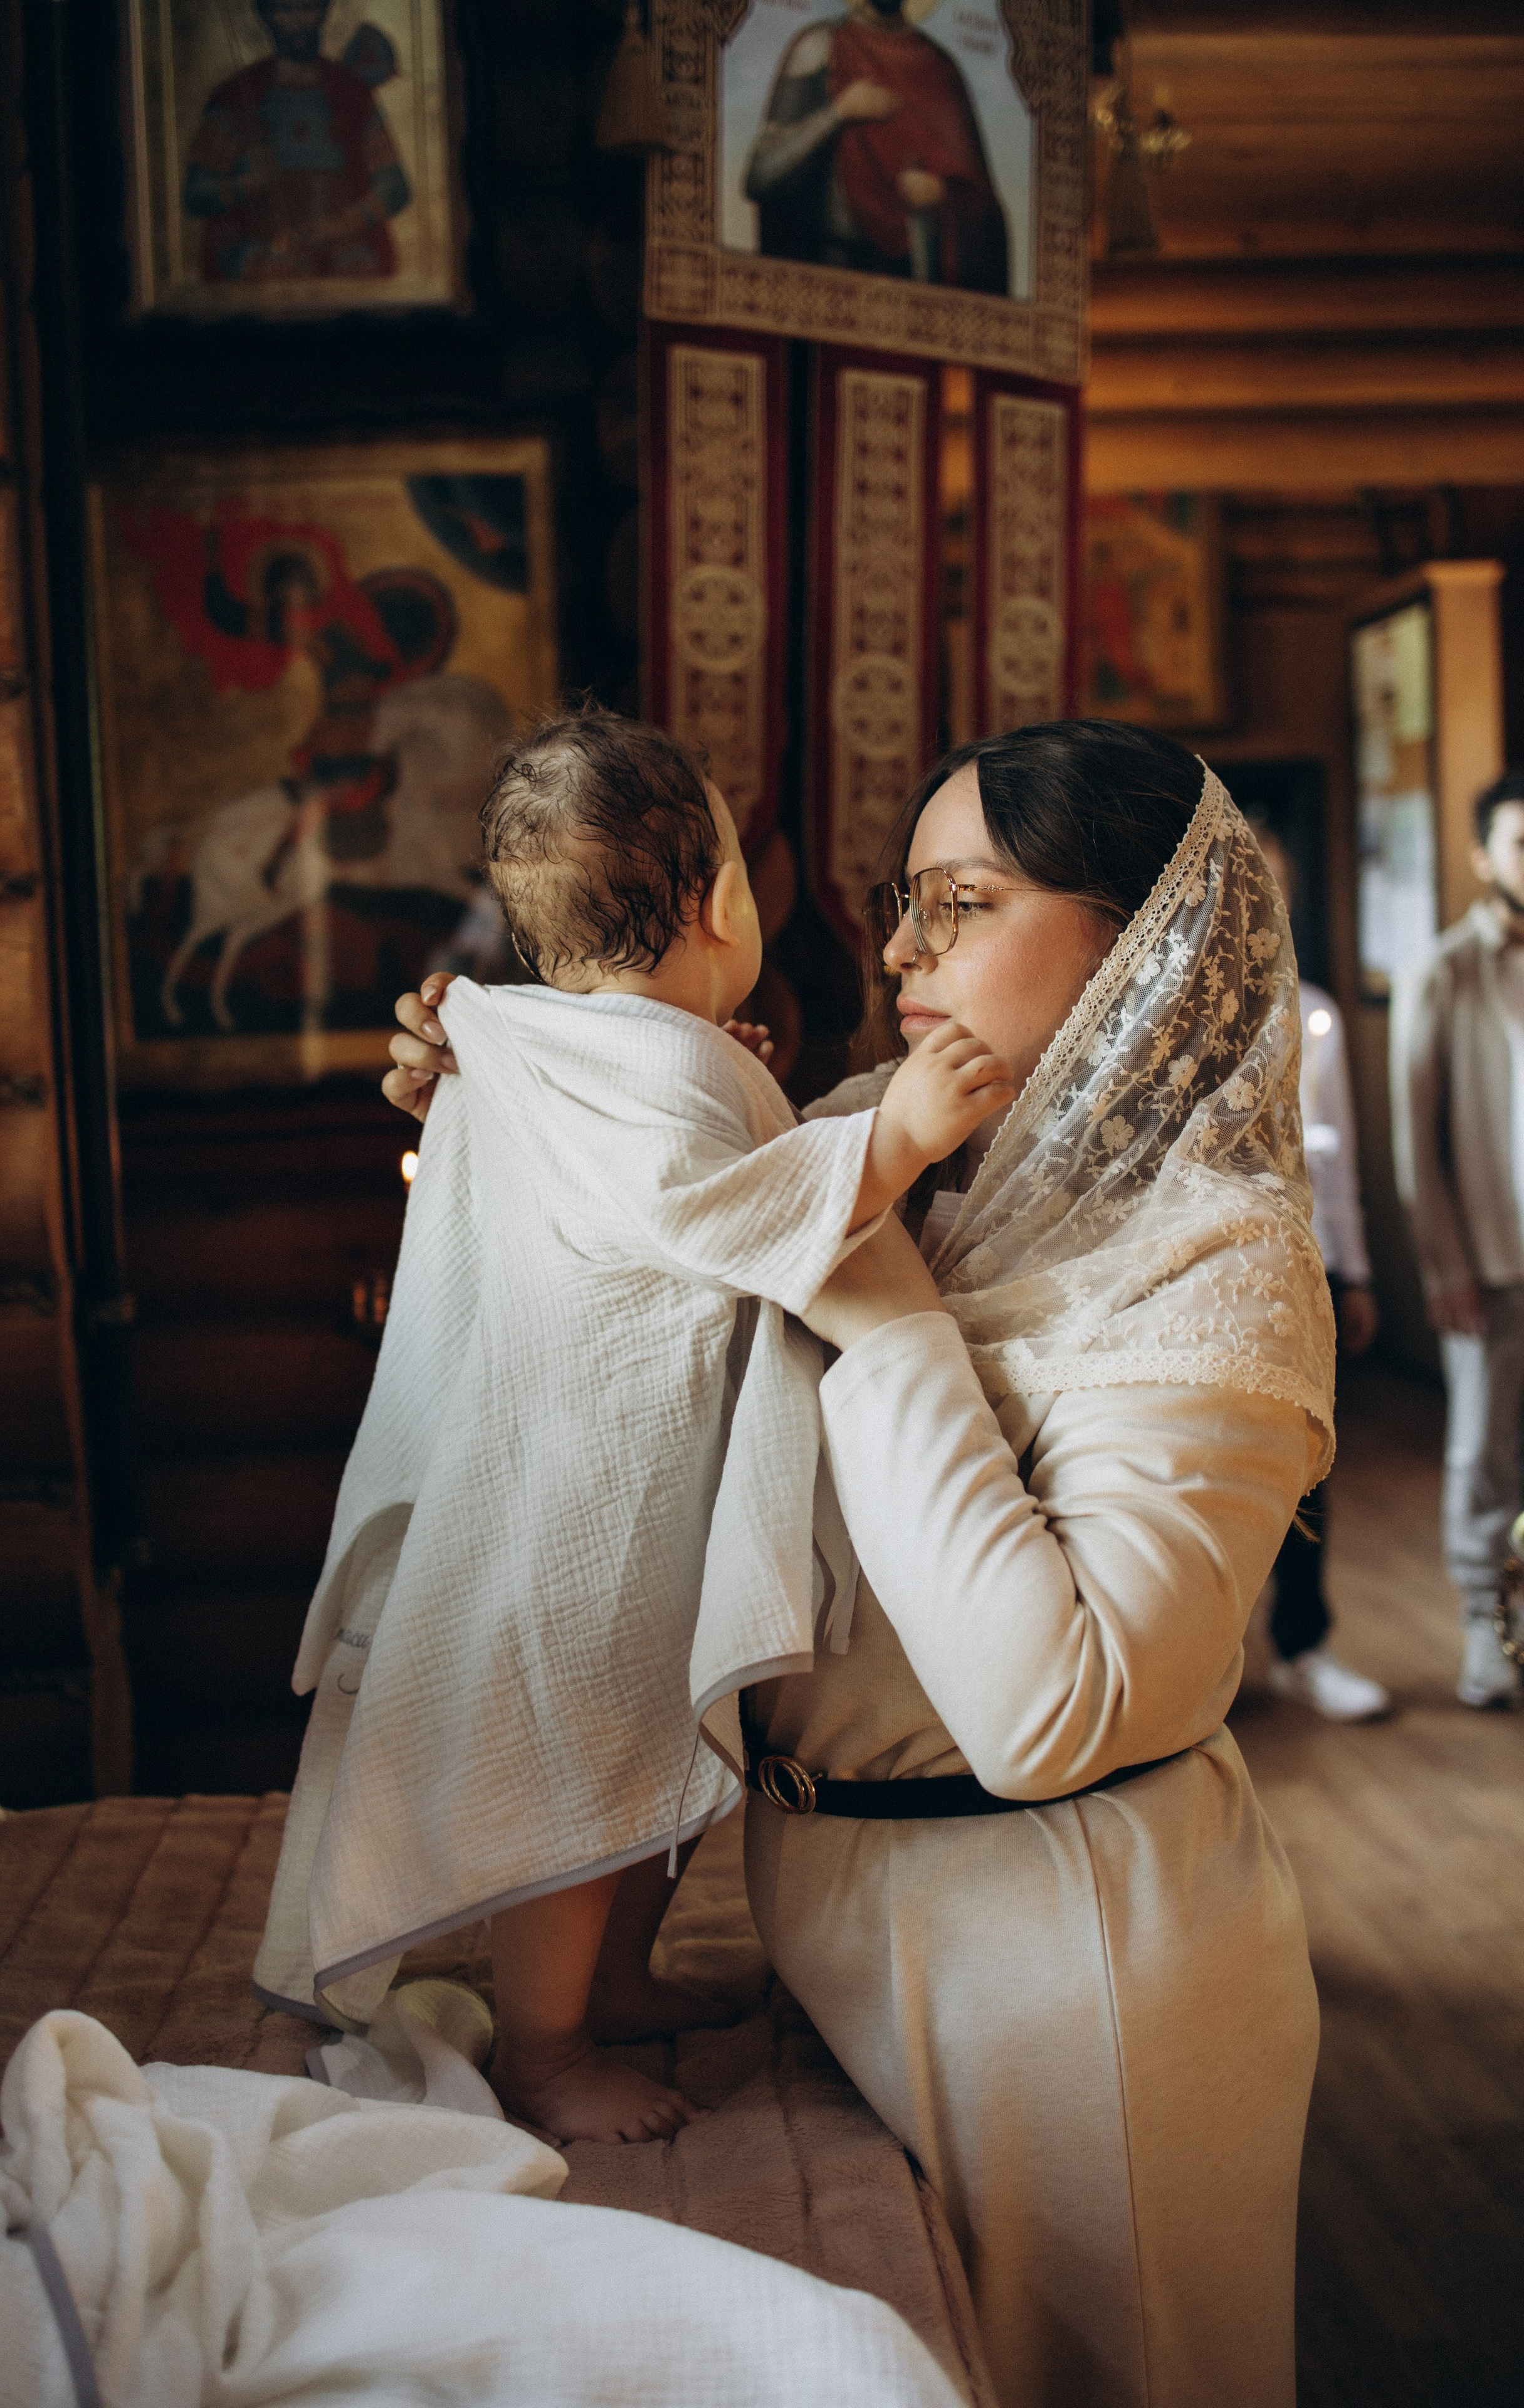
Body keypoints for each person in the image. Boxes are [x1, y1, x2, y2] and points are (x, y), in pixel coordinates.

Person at [389, 720, 1333, 2408]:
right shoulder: (871, 1136)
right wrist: (527, 1101)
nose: (897, 948)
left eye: (958, 903)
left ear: (1135, 941)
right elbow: (646, 1301)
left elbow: (1054, 1710)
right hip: (839, 1933)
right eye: (905, 900)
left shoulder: (1219, 1267)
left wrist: (881, 1300)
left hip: (1072, 1985)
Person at [256, 707, 1010, 2149]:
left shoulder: (559, 1043)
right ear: (726, 899)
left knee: (658, 1761)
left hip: (605, 1475)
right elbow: (710, 1211)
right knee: (579, 1774)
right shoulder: (649, 1071)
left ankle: (611, 1984)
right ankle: (545, 2053)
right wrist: (896, 1136)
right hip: (583, 1511)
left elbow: (674, 1155)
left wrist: (732, 1083)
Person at [1391, 766, 1524, 1709]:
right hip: (1491, 1257)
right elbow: (1416, 1138)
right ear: (1484, 857)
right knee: (1484, 1452)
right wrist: (1444, 1266)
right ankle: (1488, 1624)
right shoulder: (1441, 970)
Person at [1253, 830, 1390, 1721]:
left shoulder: (1314, 1012)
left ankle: (1304, 1643)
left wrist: (1355, 1270)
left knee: (1308, 1461)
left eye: (1277, 883)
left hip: (1305, 1263)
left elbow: (1333, 1156)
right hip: (1207, 1270)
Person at [743, 0, 1009, 293]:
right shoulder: (820, 47)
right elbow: (760, 176)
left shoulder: (939, 68)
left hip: (908, 282)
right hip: (827, 269)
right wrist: (839, 113)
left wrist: (943, 193)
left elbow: (985, 206)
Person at [182, 0, 410, 285]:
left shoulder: (352, 94)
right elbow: (195, 195)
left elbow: (395, 186)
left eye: (308, 8)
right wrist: (247, 184)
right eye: (284, 9)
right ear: (265, 15)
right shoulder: (235, 97)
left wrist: (341, 224)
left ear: (325, 12)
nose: (297, 21)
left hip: (341, 247)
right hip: (263, 247)